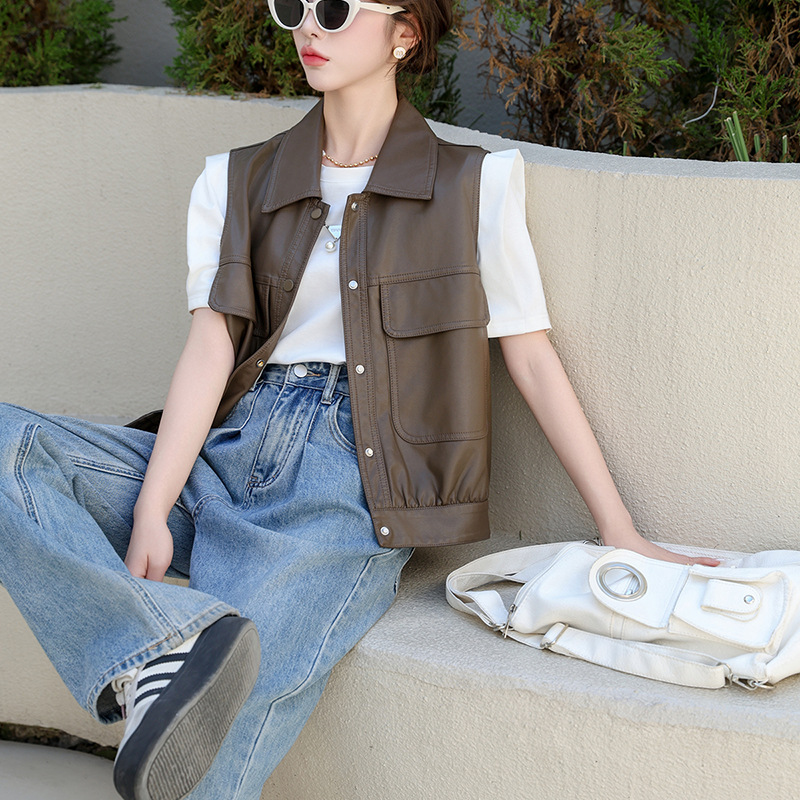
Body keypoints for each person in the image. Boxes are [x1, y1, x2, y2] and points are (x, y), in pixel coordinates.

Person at [0, 0, 720, 798]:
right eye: (294, 8)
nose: (310, 28)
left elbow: (531, 357)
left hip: (350, 478)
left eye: (337, 10)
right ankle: (156, 645)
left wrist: (619, 529)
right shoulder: (235, 179)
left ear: (404, 33)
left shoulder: (473, 185)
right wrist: (151, 510)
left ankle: (176, 658)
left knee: (227, 704)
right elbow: (211, 349)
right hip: (226, 450)